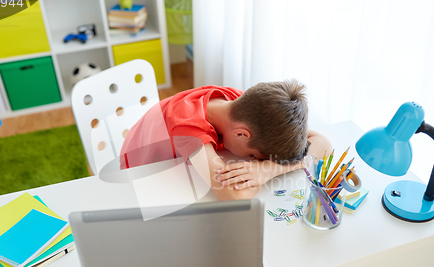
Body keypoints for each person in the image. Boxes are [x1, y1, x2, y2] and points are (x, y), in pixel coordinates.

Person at [120, 80, 331, 200]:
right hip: (140, 175)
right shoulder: (188, 126)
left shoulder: (240, 104)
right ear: (241, 134)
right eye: (253, 156)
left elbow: (323, 143)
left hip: (178, 168)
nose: (253, 161)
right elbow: (235, 196)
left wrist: (271, 168)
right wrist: (266, 170)